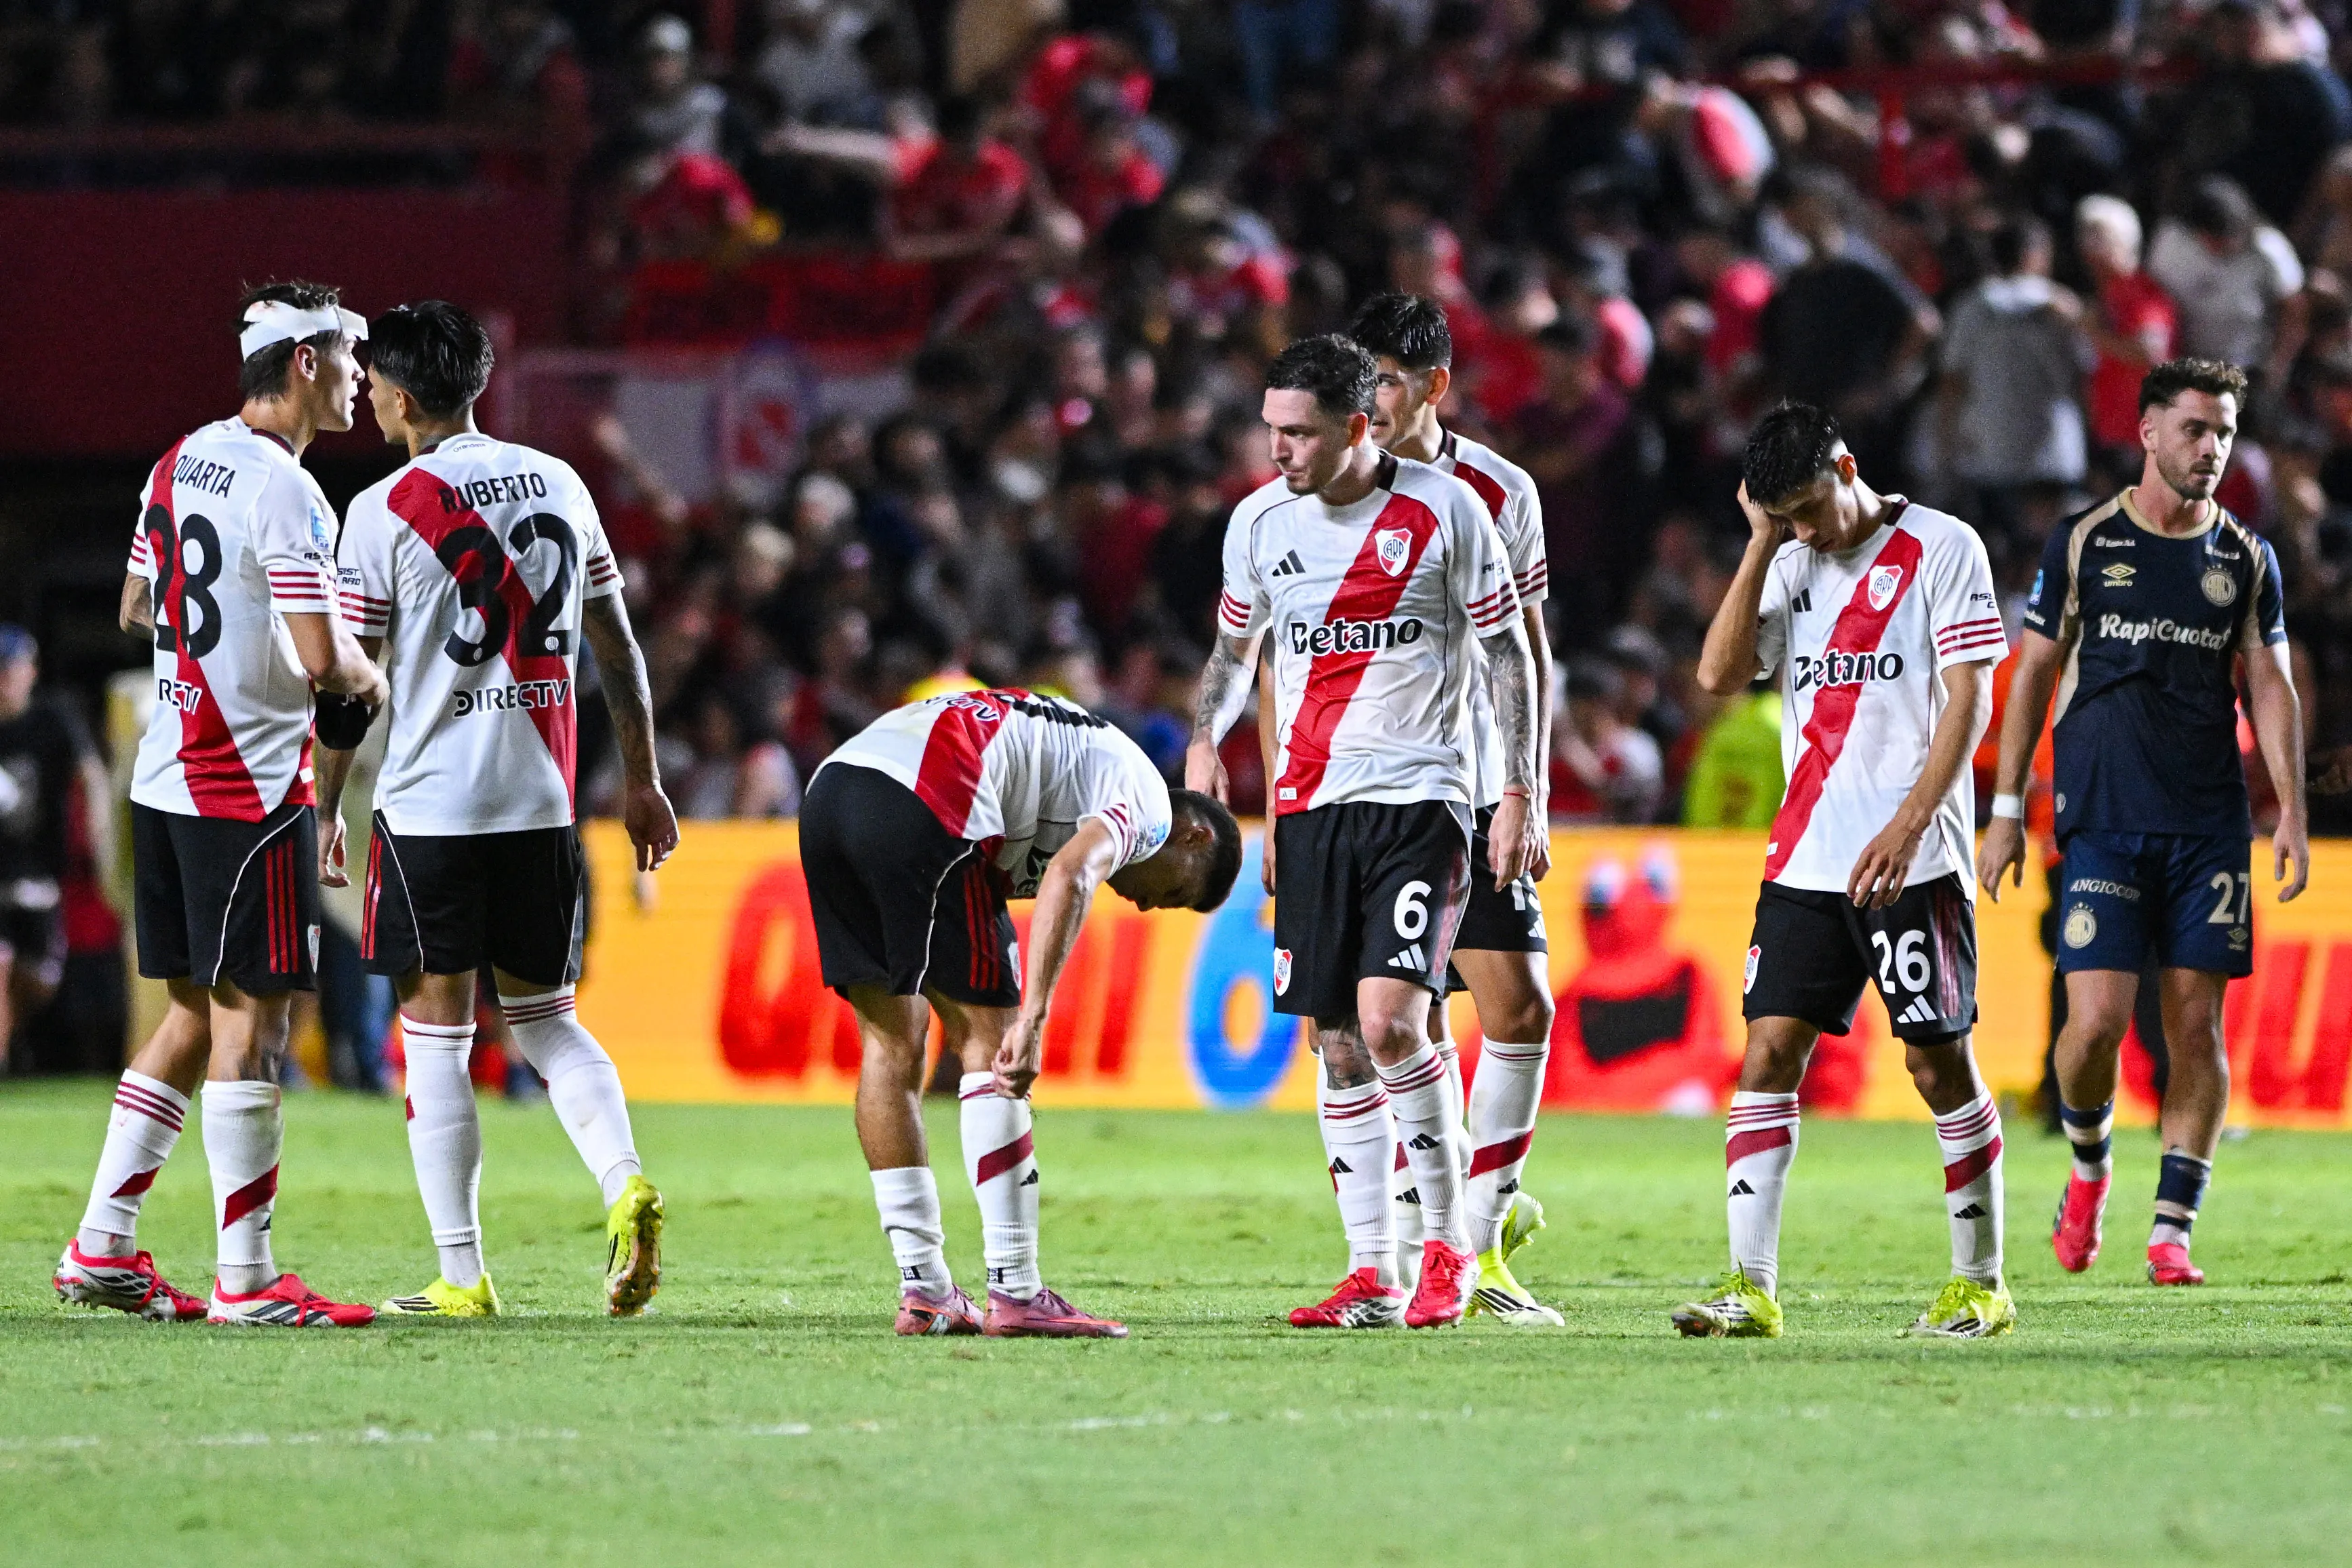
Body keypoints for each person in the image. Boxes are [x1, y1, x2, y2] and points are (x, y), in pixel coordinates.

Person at [320, 300, 680, 1319]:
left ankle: (463, 1273)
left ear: (395, 394)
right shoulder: (561, 483)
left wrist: (325, 805)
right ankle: (625, 1181)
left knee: (434, 1038)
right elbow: (617, 644)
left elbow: (351, 687)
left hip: (435, 810)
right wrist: (643, 781)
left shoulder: (385, 509)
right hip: (542, 805)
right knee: (548, 1021)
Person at [1187, 334, 1544, 1331]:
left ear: (1356, 427)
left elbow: (1510, 656)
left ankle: (1449, 1248)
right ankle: (1371, 1271)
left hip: (1422, 800)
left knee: (1394, 1020)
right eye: (1269, 432)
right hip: (1310, 808)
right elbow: (1232, 648)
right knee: (1337, 1042)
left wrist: (1517, 788)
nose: (1277, 454)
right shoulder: (1259, 523)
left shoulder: (1447, 511)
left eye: (1297, 435)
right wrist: (1207, 747)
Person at [54, 283, 389, 1327]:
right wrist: (369, 681)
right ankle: (248, 1277)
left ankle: (102, 1246)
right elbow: (323, 660)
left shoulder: (177, 460)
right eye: (345, 358)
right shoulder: (288, 492)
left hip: (165, 774)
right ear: (301, 364)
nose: (357, 378)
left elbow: (138, 605)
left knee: (196, 1016)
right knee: (257, 1026)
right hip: (243, 789)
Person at [1674, 401, 2013, 1341]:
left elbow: (1969, 699)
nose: (1809, 531)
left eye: (1814, 509)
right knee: (1770, 1052)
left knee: (1935, 1063)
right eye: (1785, 517)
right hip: (1807, 857)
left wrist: (1911, 826)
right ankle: (1750, 1287)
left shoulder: (1944, 549)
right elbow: (1718, 675)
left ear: (1849, 468)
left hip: (1915, 859)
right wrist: (1759, 547)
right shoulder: (1786, 559)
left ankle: (1981, 1284)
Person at [1978, 357, 2308, 1288]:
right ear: (2150, 432)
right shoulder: (2083, 542)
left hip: (2207, 824)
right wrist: (2007, 811)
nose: (2212, 449)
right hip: (2102, 821)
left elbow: (2272, 688)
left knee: (2197, 1026)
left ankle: (2173, 1230)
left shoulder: (2246, 558)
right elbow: (2035, 674)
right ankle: (2089, 1168)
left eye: (2226, 434)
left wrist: (2290, 811)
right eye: (2195, 429)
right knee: (2092, 1030)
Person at [804, 687, 1242, 1337]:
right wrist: (1033, 1018)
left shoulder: (1082, 772)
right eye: (1173, 892)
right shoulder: (1149, 803)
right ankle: (1016, 1289)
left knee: (893, 1043)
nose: (1149, 907)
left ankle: (925, 1291)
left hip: (830, 796)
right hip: (930, 796)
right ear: (1193, 835)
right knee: (996, 1039)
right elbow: (1071, 874)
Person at [1341, 292, 1559, 1325]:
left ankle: (1478, 1242)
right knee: (1380, 1025)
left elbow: (1530, 649)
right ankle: (1415, 1251)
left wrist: (1528, 786)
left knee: (1518, 1009)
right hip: (1365, 792)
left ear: (1433, 386)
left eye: (1385, 379)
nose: (1367, 400)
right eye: (1358, 378)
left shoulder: (1500, 489)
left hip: (1473, 787)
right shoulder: (1328, 483)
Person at [0, 625, 111, 1071]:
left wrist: (100, 831)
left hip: (40, 872)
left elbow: (91, 772)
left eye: (11, 671)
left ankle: (13, 1034)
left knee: (41, 978)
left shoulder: (52, 719)